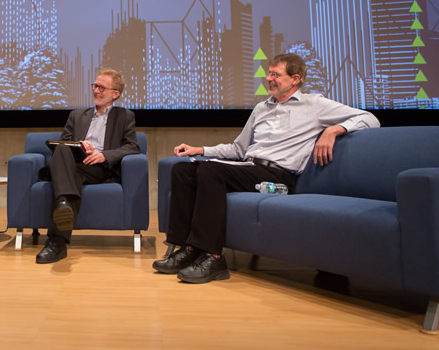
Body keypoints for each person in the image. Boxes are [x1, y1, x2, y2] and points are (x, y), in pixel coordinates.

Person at [153, 52, 379, 283]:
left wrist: (333, 130)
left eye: (275, 74)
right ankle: (186, 250)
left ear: (295, 79)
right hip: (249, 169)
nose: (269, 78)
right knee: (182, 170)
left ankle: (213, 257)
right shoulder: (261, 108)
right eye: (269, 73)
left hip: (278, 179)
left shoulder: (315, 105)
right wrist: (200, 149)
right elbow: (239, 149)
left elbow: (369, 118)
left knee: (211, 172)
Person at [35, 68, 140, 264]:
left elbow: (133, 147)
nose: (96, 90)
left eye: (102, 87)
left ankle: (57, 234)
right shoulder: (77, 115)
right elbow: (62, 143)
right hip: (75, 162)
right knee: (63, 150)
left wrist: (104, 155)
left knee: (66, 170)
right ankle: (59, 235)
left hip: (99, 168)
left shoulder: (124, 116)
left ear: (115, 94)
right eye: (95, 86)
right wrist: (79, 144)